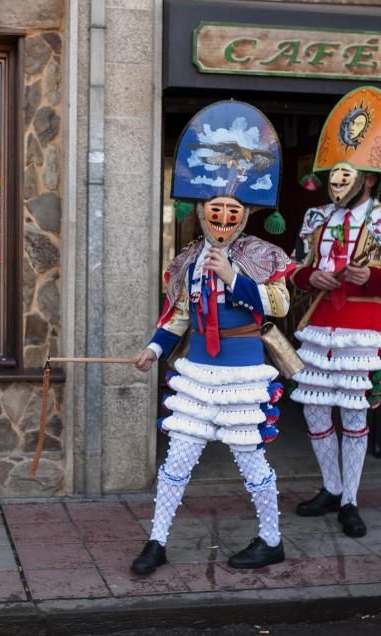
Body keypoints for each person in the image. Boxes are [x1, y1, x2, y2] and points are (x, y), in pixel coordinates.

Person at [131, 100, 294, 575]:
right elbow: (179, 315)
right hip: (197, 373)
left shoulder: (262, 254)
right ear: (202, 211)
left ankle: (271, 539)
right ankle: (157, 541)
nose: (223, 218)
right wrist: (153, 348)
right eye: (215, 210)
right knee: (177, 459)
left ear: (245, 214)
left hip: (243, 373)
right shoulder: (187, 259)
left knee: (250, 460)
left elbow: (281, 304)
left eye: (232, 211)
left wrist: (235, 279)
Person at [290, 87, 381, 537]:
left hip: (361, 330)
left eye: (346, 177)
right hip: (319, 328)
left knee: (355, 415)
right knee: (314, 412)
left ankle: (350, 499)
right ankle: (330, 486)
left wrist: (376, 280)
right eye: (332, 177)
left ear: (367, 179)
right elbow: (294, 271)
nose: (336, 185)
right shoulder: (313, 221)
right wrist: (311, 279)